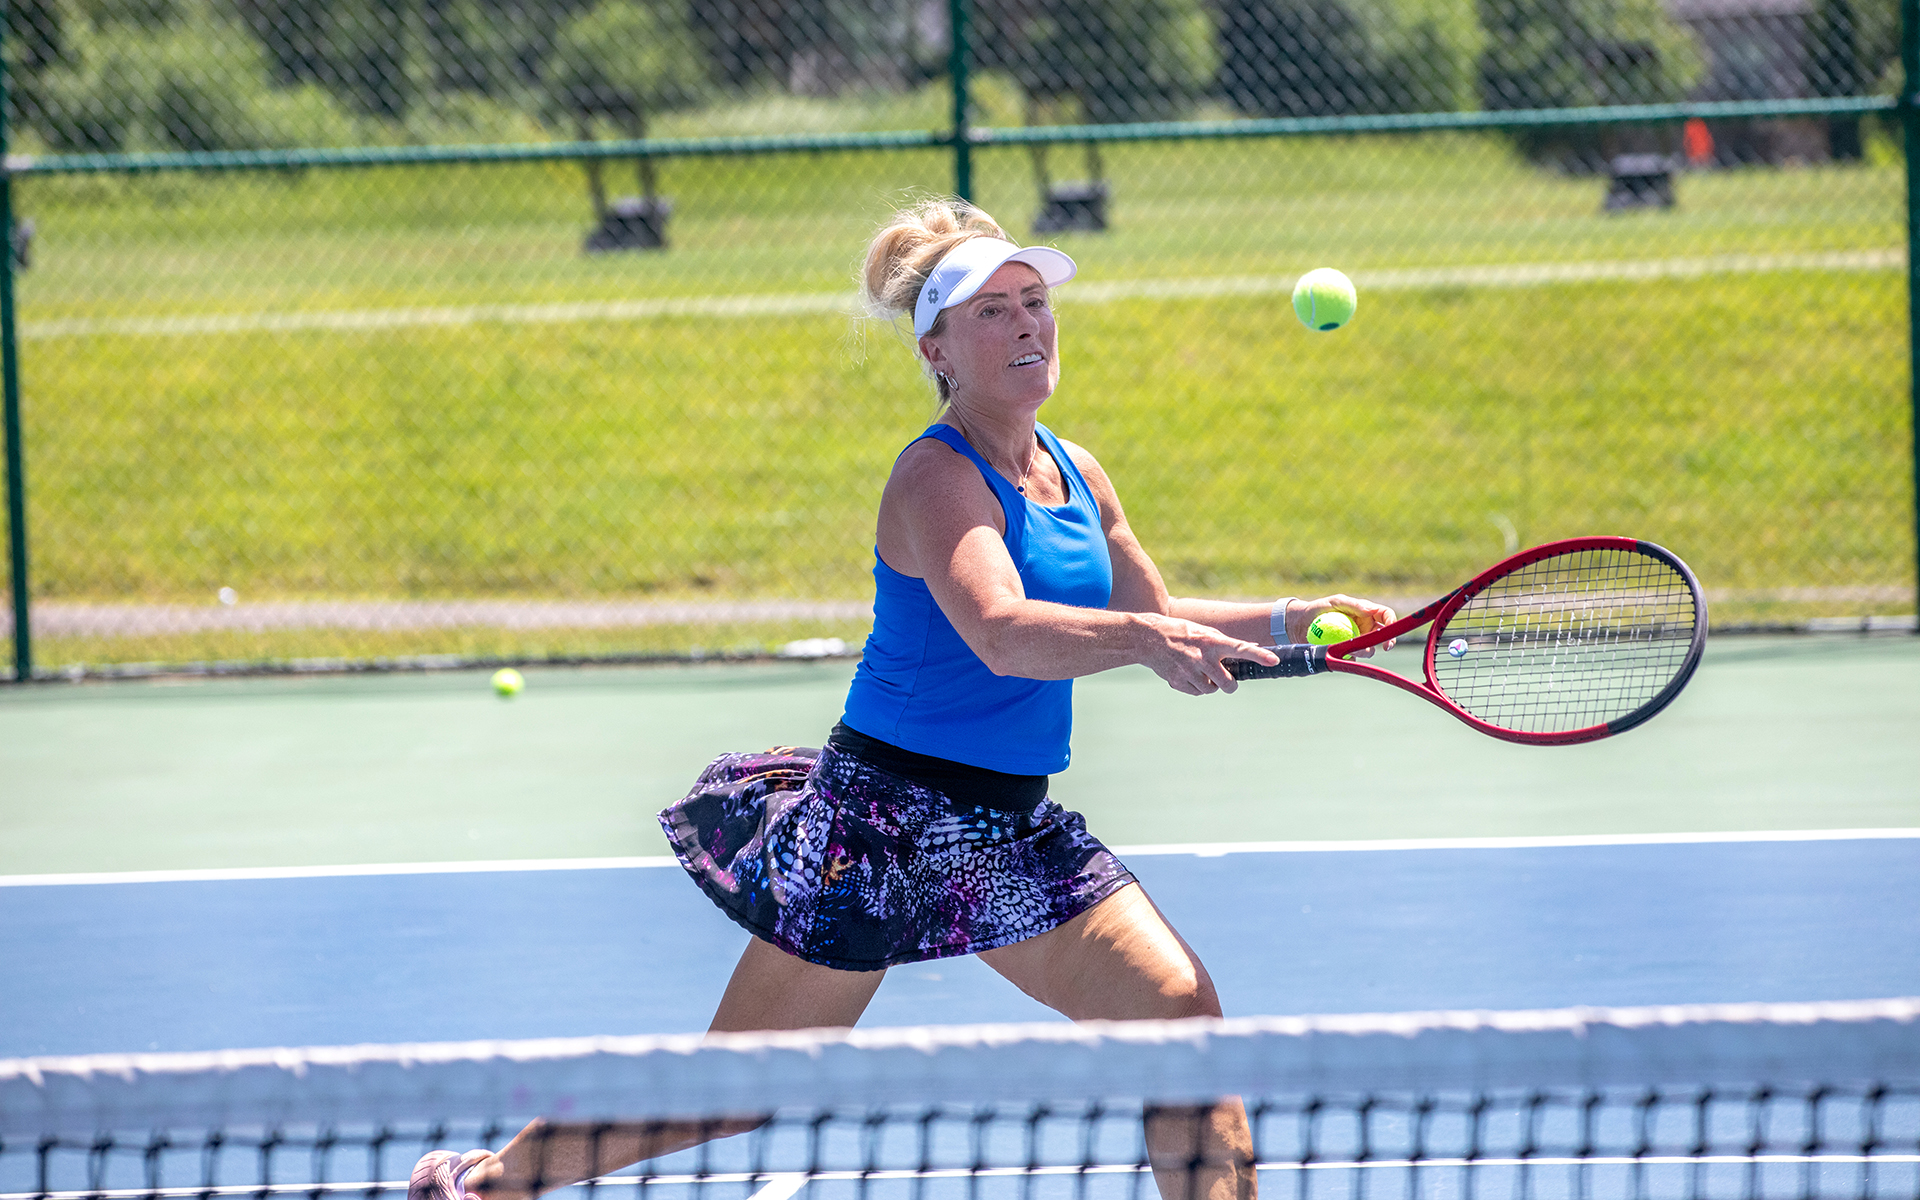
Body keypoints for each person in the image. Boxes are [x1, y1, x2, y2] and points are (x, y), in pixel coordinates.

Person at [411, 199, 1396, 1200]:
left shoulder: (1076, 473)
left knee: (1180, 1016)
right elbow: (1001, 632)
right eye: (991, 313)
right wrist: (1149, 643)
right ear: (938, 352)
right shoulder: (934, 477)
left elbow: (1158, 611)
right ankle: (487, 1184)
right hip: (878, 830)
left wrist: (1291, 619)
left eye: (1034, 301)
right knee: (734, 1091)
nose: (1027, 324)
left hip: (1010, 830)